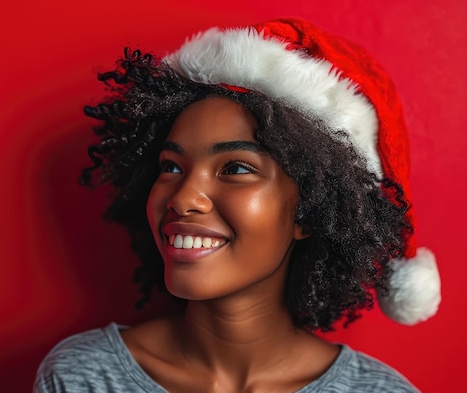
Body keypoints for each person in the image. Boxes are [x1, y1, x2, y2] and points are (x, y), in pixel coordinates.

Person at [34, 17, 441, 392]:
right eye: (171, 166)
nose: (183, 198)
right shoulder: (81, 376)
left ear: (309, 210)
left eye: (236, 167)